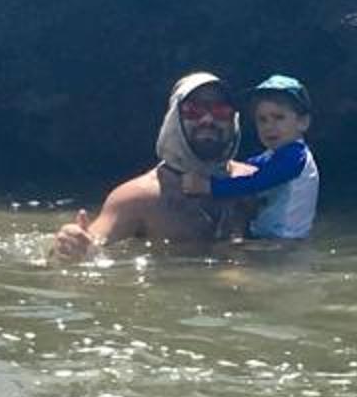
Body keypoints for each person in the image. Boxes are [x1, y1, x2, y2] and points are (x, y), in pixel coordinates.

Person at [50, 73, 245, 258]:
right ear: (174, 120)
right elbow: (94, 243)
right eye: (194, 111)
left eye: (221, 111)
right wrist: (71, 246)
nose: (208, 120)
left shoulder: (252, 186)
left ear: (233, 120)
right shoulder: (138, 198)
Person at [176, 74, 319, 240]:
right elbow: (253, 165)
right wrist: (225, 166)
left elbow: (255, 183)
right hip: (273, 238)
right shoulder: (278, 155)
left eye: (279, 118)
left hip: (286, 241)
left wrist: (210, 186)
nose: (269, 126)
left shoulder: (295, 158)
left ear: (303, 122)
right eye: (262, 120)